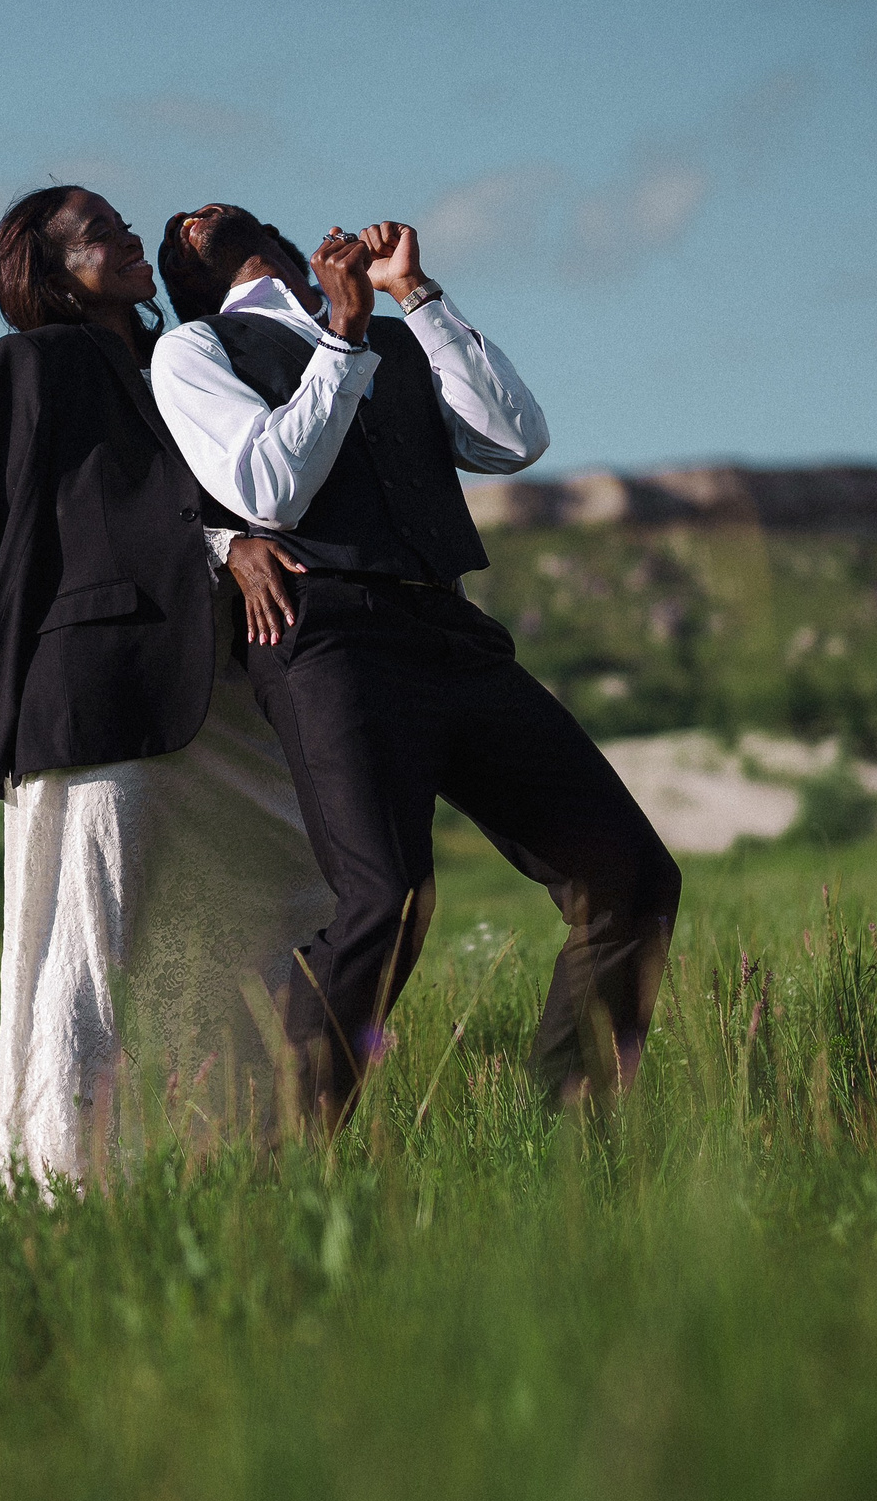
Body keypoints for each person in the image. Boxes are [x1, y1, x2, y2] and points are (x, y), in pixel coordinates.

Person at [149, 204, 681, 1122]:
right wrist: (345, 338)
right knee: (384, 903)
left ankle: (565, 1140)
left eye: (218, 208)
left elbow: (513, 441)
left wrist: (416, 299)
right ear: (187, 273)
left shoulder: (388, 336)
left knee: (631, 875)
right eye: (183, 227)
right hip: (328, 644)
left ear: (283, 242)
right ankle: (274, 1159)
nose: (197, 214)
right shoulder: (194, 351)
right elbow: (266, 488)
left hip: (452, 632)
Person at [0, 185, 334, 1187]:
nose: (124, 234)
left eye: (120, 223)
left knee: (311, 881)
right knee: (89, 937)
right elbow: (38, 518)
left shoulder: (177, 359)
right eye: (97, 232)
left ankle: (234, 1144)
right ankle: (61, 1179)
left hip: (204, 678)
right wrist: (215, 547)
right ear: (53, 270)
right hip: (100, 684)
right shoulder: (34, 361)